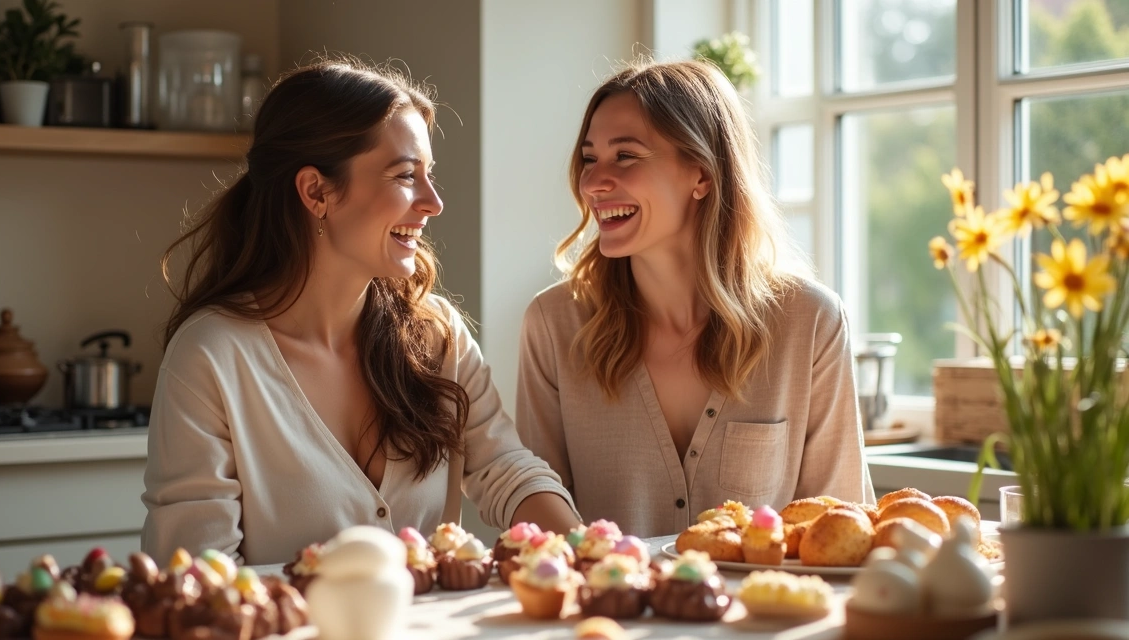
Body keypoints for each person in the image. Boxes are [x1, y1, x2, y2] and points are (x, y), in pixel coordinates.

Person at [142, 57, 580, 565]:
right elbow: (201, 574)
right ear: (316, 191)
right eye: (405, 176)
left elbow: (506, 468)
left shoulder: (436, 333)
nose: (434, 202)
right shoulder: (212, 356)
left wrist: (592, 554)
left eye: (429, 176)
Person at [515, 59, 874, 538]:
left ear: (701, 174)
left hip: (768, 612)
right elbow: (541, 534)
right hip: (607, 613)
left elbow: (840, 531)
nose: (593, 182)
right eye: (589, 158)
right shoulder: (554, 324)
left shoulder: (810, 322)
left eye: (625, 156)